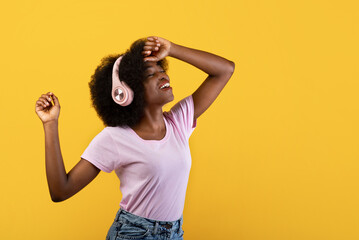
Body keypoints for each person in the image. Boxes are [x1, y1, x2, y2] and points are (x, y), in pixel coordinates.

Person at [35, 36, 235, 240]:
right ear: (125, 93)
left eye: (162, 69)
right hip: (134, 233)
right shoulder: (115, 138)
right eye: (151, 74)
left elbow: (224, 70)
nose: (163, 76)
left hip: (174, 233)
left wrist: (172, 49)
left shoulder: (178, 122)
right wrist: (50, 124)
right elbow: (61, 190)